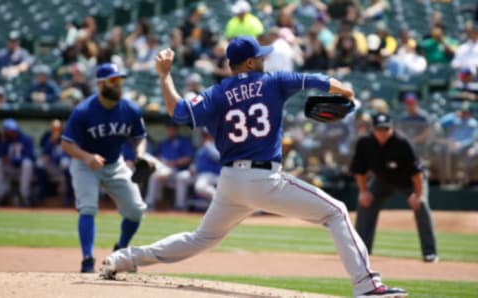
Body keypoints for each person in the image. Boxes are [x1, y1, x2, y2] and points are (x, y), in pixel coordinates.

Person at [100, 36, 407, 297]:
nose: (263, 60)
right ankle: (367, 285)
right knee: (336, 211)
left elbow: (179, 113)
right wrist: (346, 93)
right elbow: (320, 81)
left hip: (231, 181)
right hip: (264, 180)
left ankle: (123, 258)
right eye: (259, 57)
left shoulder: (217, 93)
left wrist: (165, 75)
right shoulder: (273, 82)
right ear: (248, 63)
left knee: (200, 238)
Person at [61, 63, 148, 273]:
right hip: (85, 164)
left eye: (120, 80)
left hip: (114, 163)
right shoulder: (83, 111)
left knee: (136, 211)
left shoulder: (131, 109)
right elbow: (66, 144)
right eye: (113, 80)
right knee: (88, 208)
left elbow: (140, 138)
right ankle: (87, 260)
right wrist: (87, 157)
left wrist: (140, 154)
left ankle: (121, 249)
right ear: (100, 84)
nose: (118, 85)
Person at [350, 112, 439, 263]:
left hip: (410, 182)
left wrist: (417, 195)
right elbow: (359, 170)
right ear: (373, 129)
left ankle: (430, 253)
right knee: (365, 202)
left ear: (391, 128)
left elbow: (417, 173)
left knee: (421, 205)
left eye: (386, 129)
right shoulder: (365, 143)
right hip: (382, 181)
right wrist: (364, 191)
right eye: (379, 129)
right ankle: (361, 250)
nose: (382, 133)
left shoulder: (401, 142)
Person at [144, 122, 194, 211]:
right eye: (169, 128)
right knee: (154, 176)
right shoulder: (164, 143)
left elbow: (188, 158)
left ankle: (180, 206)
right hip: (165, 170)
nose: (170, 130)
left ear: (176, 129)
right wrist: (161, 161)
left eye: (172, 128)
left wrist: (173, 162)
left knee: (181, 177)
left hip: (179, 170)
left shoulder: (184, 141)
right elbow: (157, 157)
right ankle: (150, 204)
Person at [0, 119, 35, 206]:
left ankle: (24, 195)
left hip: (22, 169)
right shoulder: (5, 141)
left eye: (13, 130)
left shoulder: (26, 139)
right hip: (10, 169)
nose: (12, 132)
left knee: (27, 163)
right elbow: (1, 156)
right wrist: (1, 142)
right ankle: (1, 194)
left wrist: (12, 160)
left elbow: (30, 156)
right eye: (9, 131)